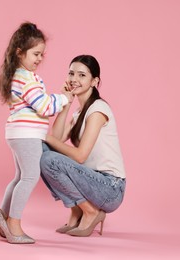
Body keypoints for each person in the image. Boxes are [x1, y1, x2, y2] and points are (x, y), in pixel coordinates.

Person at [0, 22, 73, 244]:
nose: (40, 58)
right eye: (35, 53)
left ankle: (0, 217)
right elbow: (43, 107)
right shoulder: (27, 77)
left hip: (17, 133)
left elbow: (37, 102)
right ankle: (14, 223)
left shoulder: (18, 75)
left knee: (20, 177)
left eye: (42, 54)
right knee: (30, 177)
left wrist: (56, 97)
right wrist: (63, 99)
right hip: (26, 134)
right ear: (19, 52)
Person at [40, 55, 126, 237]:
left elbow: (80, 156)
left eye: (82, 75)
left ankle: (90, 211)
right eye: (71, 74)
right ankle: (78, 209)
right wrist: (66, 102)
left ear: (95, 81)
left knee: (48, 156)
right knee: (42, 151)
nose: (74, 80)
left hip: (110, 187)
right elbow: (56, 139)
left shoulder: (98, 110)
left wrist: (44, 136)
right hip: (91, 181)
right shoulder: (78, 113)